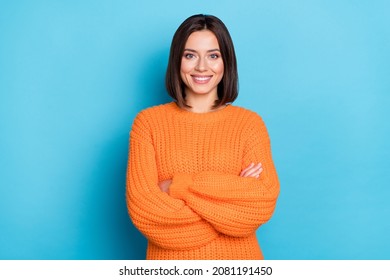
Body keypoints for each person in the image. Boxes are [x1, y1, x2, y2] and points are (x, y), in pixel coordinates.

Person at [126, 14, 280, 260]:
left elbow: (260, 204)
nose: (201, 67)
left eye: (213, 55)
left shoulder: (249, 124)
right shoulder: (148, 123)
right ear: (177, 60)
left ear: (226, 62)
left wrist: (179, 186)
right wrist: (230, 199)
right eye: (190, 55)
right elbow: (145, 211)